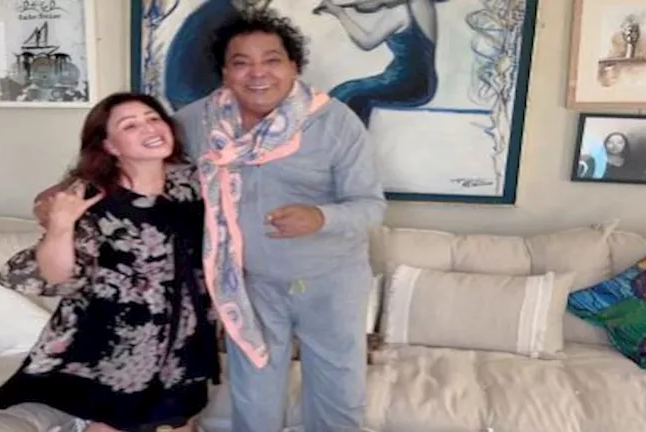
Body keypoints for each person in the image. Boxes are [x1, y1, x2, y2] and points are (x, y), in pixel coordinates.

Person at [35, 9, 386, 432]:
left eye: (271, 60)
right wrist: (60, 196)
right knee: (254, 393)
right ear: (225, 72)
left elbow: (371, 206)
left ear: (294, 66)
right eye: (241, 62)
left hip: (330, 279)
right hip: (246, 283)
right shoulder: (197, 121)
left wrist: (320, 217)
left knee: (338, 390)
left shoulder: (334, 122)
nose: (258, 73)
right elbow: (134, 161)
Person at [0, 92, 219, 432]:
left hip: (183, 331)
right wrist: (60, 225)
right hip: (114, 337)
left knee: (181, 419)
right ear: (110, 146)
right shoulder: (90, 196)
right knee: (115, 422)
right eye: (130, 125)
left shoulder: (193, 182)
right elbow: (56, 274)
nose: (149, 128)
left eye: (153, 118)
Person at [313, 0, 441, 126]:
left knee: (346, 94)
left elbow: (367, 42)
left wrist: (340, 13)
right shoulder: (423, 4)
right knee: (345, 93)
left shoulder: (400, 12)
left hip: (405, 83)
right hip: (421, 83)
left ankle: (349, 137)